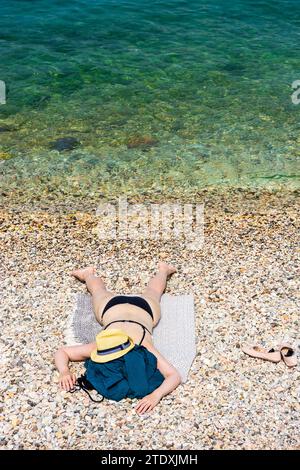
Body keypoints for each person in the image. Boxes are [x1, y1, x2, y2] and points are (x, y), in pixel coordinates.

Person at [54, 262, 181, 414]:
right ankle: (164, 270)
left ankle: (88, 273)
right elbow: (173, 375)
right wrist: (156, 395)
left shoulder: (108, 346)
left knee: (98, 290)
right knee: (153, 291)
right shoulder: (139, 346)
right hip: (138, 309)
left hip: (118, 309)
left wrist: (64, 370)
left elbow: (63, 352)